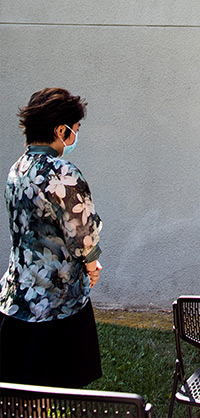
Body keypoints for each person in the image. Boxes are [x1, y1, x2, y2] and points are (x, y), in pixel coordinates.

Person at [0, 87, 103, 386]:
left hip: (17, 295)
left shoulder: (16, 170)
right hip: (56, 303)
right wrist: (92, 266)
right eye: (76, 129)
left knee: (23, 390)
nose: (75, 137)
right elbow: (84, 235)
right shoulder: (62, 173)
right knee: (51, 388)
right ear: (61, 130)